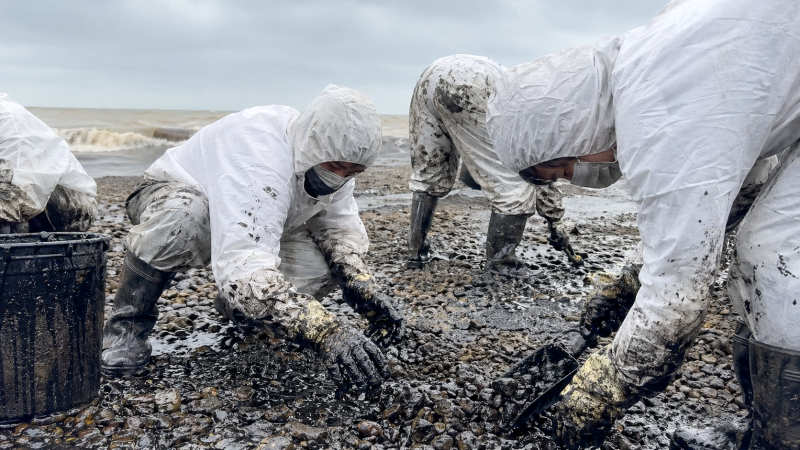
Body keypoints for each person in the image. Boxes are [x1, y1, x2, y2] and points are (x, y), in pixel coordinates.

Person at [487, 0, 800, 448]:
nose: (574, 178)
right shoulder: (650, 66)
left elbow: (677, 299)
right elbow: (729, 201)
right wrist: (629, 282)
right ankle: (763, 428)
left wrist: (600, 391)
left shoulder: (660, 116)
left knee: (773, 258)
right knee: (762, 246)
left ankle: (783, 439)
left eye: (560, 169)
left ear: (570, 132)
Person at [101, 85, 406, 396]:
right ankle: (126, 326)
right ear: (314, 146)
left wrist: (364, 289)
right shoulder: (260, 154)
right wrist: (325, 330)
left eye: (352, 172)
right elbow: (243, 262)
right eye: (335, 168)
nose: (340, 177)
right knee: (184, 220)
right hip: (172, 194)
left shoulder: (335, 158)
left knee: (319, 265)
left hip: (265, 216)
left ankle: (242, 309)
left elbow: (338, 229)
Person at [407, 55, 581, 277]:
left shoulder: (533, 97)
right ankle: (501, 264)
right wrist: (555, 221)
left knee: (429, 172)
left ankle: (416, 253)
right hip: (474, 86)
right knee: (514, 188)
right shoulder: (547, 120)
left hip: (433, 74)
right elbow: (545, 174)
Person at [0, 93, 97, 234]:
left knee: (9, 202)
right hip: (26, 192)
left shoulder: (8, 121)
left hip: (70, 203)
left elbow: (20, 197)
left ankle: (21, 252)